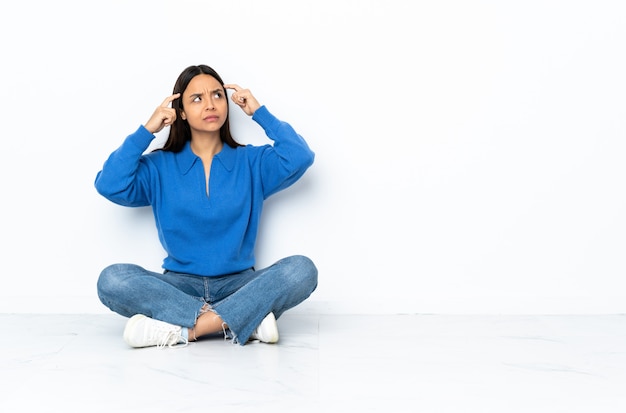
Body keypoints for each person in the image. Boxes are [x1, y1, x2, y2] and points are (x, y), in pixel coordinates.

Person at [94, 64, 317, 349]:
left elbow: (299, 156)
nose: (210, 104)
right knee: (112, 279)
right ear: (181, 112)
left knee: (301, 270)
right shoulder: (159, 166)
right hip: (178, 287)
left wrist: (259, 113)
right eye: (197, 99)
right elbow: (109, 184)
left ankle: (185, 330)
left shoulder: (252, 162)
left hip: (240, 285)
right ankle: (244, 319)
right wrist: (146, 131)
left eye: (217, 95)